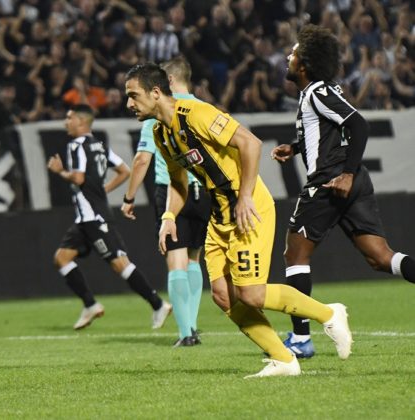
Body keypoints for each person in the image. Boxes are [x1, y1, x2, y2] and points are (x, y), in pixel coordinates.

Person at [124, 63, 352, 378]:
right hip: (219, 217)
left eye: (133, 95)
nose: (129, 103)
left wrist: (244, 196)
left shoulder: (196, 114)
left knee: (252, 294)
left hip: (248, 209)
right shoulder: (161, 134)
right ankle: (284, 360)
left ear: (155, 92)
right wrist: (168, 216)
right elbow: (178, 181)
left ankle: (329, 314)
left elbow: (251, 143)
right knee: (223, 295)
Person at [271, 24, 415, 359]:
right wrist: (296, 147)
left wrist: (346, 174)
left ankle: (301, 339)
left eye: (294, 53)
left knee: (295, 256)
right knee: (380, 258)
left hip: (331, 180)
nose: (289, 57)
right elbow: (331, 133)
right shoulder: (318, 92)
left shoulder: (317, 92)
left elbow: (358, 125)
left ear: (305, 65)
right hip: (349, 178)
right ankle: (301, 337)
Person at [47, 104, 173, 330]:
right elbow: (124, 170)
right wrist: (102, 190)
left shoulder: (76, 145)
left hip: (94, 218)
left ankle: (158, 304)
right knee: (62, 258)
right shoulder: (100, 145)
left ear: (81, 121)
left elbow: (78, 178)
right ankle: (90, 305)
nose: (66, 122)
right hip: (85, 219)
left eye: (69, 118)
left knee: (120, 264)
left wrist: (60, 172)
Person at [121, 57, 210, 347]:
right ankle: (192, 324)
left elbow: (142, 159)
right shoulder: (202, 108)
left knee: (176, 261)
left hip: (173, 192)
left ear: (166, 82)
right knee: (194, 259)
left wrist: (129, 197)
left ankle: (186, 333)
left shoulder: (158, 111)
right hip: (203, 190)